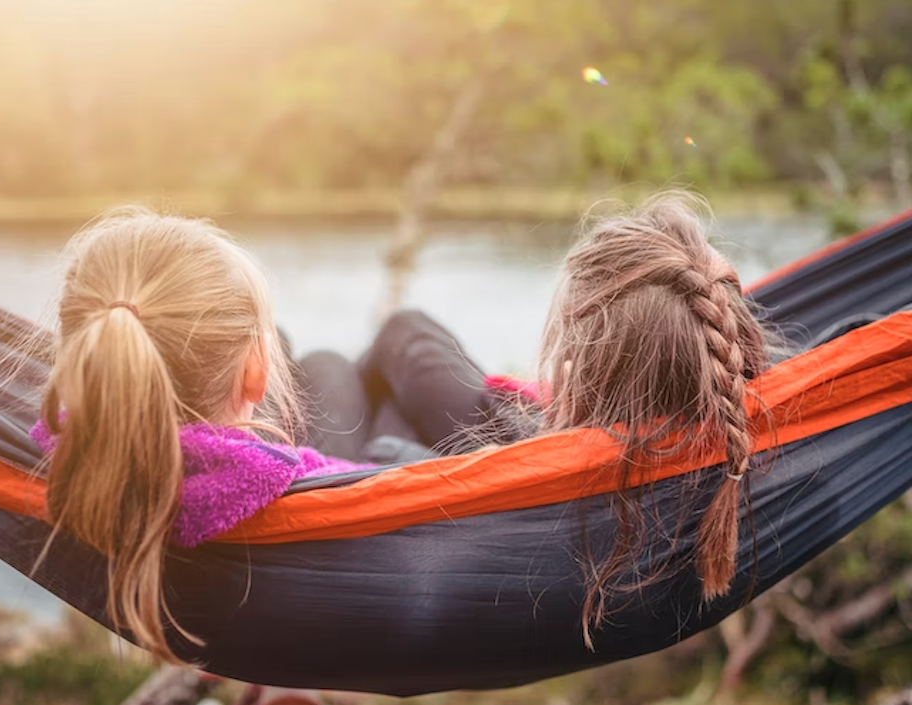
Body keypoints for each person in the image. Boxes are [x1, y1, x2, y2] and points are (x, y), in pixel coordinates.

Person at [314, 190, 777, 643]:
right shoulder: (762, 432)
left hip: (508, 467)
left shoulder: (563, 478)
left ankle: (294, 665)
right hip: (541, 452)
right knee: (390, 353)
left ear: (580, 367)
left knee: (334, 363)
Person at [28, 208, 369, 705]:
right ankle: (284, 675)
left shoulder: (68, 454)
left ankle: (280, 681)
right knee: (378, 348)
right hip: (358, 492)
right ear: (256, 372)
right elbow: (382, 486)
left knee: (315, 361)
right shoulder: (283, 474)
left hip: (243, 577)